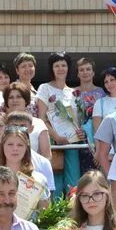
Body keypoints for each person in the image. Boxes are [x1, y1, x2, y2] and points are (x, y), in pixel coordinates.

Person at [37, 52, 83, 192]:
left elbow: (78, 120)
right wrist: (56, 137)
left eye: (63, 65)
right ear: (52, 69)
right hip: (52, 141)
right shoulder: (45, 88)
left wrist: (80, 132)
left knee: (73, 181)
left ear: (68, 68)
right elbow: (41, 117)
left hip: (72, 142)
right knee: (54, 179)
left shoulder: (74, 92)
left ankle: (72, 211)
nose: (60, 68)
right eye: (57, 66)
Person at [0, 112, 57, 196]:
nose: (15, 149)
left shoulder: (41, 170)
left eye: (23, 126)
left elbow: (48, 201)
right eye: (10, 144)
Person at [0, 127, 50, 215]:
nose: (15, 149)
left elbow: (45, 215)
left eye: (20, 145)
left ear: (26, 148)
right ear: (2, 147)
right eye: (10, 144)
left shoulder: (39, 179)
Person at [7, 83, 51, 159]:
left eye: (19, 97)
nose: (15, 100)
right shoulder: (1, 123)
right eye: (11, 97)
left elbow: (46, 156)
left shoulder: (38, 124)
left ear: (26, 100)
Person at [92, 67, 116, 134]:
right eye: (106, 82)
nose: (109, 84)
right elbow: (97, 131)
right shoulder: (99, 103)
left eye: (112, 80)